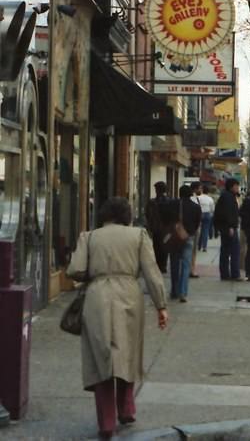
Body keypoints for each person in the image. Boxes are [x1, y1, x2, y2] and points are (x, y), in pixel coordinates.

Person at [66, 198, 167, 439]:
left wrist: (97, 270)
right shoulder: (139, 236)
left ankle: (107, 423)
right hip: (129, 294)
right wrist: (161, 305)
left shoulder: (89, 237)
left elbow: (74, 270)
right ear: (127, 215)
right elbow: (152, 272)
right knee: (127, 352)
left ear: (104, 216)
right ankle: (127, 407)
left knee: (101, 357)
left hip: (97, 296)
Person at [170, 185, 202, 302]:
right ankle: (183, 292)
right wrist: (190, 232)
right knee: (186, 265)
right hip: (188, 237)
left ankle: (174, 290)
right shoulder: (196, 207)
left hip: (175, 237)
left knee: (174, 264)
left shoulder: (172, 204)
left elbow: (166, 218)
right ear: (191, 194)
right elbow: (198, 222)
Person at [214, 179, 242, 281]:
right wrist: (230, 226)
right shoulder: (228, 197)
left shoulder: (227, 196)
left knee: (226, 251)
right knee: (234, 251)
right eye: (236, 186)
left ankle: (225, 274)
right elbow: (227, 213)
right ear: (231, 187)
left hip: (226, 227)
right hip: (229, 228)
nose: (237, 188)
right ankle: (234, 274)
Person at [143, 182, 173, 274]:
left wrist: (149, 225)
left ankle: (158, 265)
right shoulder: (170, 201)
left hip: (156, 228)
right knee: (165, 247)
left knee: (156, 247)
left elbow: (147, 214)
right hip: (166, 228)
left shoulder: (152, 202)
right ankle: (163, 265)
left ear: (157, 190)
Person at [197, 185, 216, 252]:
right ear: (208, 192)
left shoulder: (198, 198)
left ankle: (198, 245)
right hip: (207, 214)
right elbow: (212, 209)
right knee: (205, 231)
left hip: (199, 214)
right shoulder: (210, 199)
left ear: (202, 190)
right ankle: (204, 247)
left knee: (198, 230)